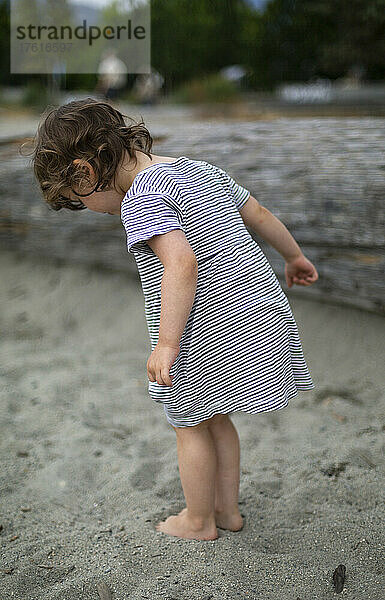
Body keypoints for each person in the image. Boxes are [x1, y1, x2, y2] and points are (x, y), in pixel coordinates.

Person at [29, 98, 318, 542]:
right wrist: (294, 256)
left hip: (203, 327)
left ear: (85, 172)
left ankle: (199, 521)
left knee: (187, 424)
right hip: (256, 313)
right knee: (218, 419)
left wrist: (166, 344)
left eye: (79, 201)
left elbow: (180, 265)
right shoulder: (198, 168)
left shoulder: (141, 198)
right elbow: (256, 213)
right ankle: (227, 511)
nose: (91, 210)